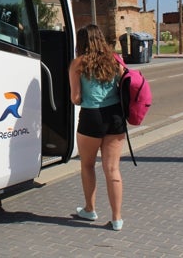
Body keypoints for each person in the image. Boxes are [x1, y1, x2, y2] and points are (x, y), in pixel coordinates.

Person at [69, 24, 125, 231]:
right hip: (115, 116)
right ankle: (117, 218)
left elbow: (75, 98)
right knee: (112, 169)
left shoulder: (78, 64)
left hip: (91, 118)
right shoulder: (114, 60)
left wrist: (88, 95)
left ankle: (90, 209)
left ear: (82, 42)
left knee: (87, 165)